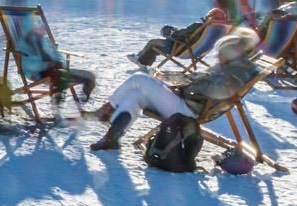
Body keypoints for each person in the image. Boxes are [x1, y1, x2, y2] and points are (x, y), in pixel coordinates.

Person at [91, 26, 264, 150]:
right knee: (136, 94)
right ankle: (111, 138)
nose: (218, 57)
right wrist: (180, 80)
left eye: (222, 54)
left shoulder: (236, 72)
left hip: (189, 110)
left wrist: (184, 85)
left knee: (139, 79)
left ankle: (106, 109)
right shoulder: (233, 66)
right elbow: (206, 81)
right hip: (186, 101)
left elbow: (214, 90)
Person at [135, 3, 231, 68]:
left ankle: (140, 60)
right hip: (196, 52)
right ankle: (143, 62)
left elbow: (179, 35)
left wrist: (171, 33)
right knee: (155, 46)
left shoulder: (199, 26)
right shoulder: (219, 31)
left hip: (178, 48)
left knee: (152, 43)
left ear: (209, 17)